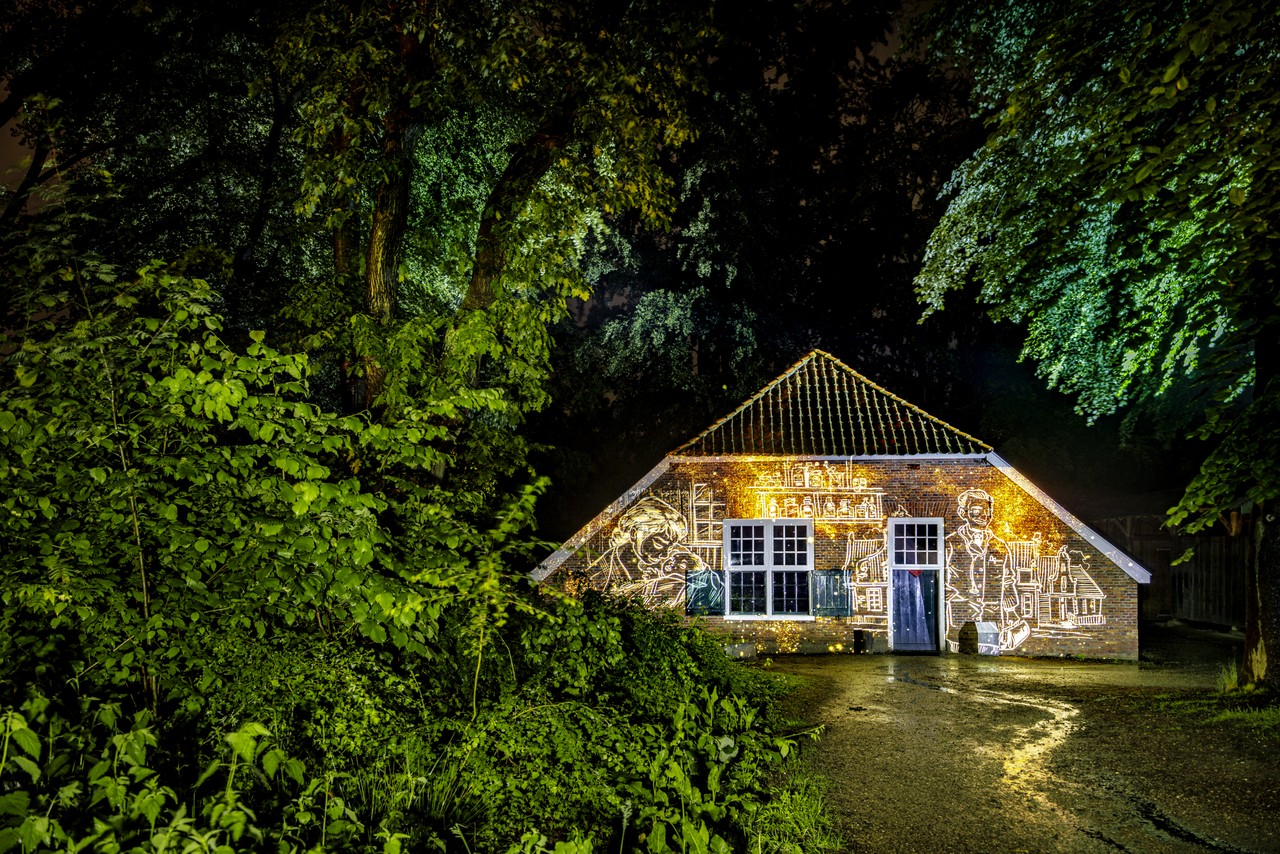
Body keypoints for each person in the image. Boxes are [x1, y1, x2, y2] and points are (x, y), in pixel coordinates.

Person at [945, 488, 1026, 648]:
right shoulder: (951, 543)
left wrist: (1010, 602)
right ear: (963, 512)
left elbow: (1008, 577)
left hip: (992, 615)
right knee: (960, 660)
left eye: (988, 511)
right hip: (962, 615)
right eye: (976, 511)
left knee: (989, 661)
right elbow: (939, 573)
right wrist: (947, 592)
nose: (983, 516)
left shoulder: (999, 546)